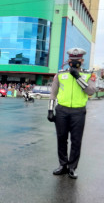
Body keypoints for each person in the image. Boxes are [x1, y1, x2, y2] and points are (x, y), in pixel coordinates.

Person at [47, 48, 96, 179]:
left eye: (77, 60)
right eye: (72, 60)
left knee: (76, 141)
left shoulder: (88, 74)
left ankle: (72, 168)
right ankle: (63, 165)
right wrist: (50, 110)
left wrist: (78, 77)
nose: (74, 62)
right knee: (61, 139)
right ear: (68, 60)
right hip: (62, 110)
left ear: (82, 60)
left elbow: (91, 91)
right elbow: (53, 93)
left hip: (78, 112)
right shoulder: (60, 74)